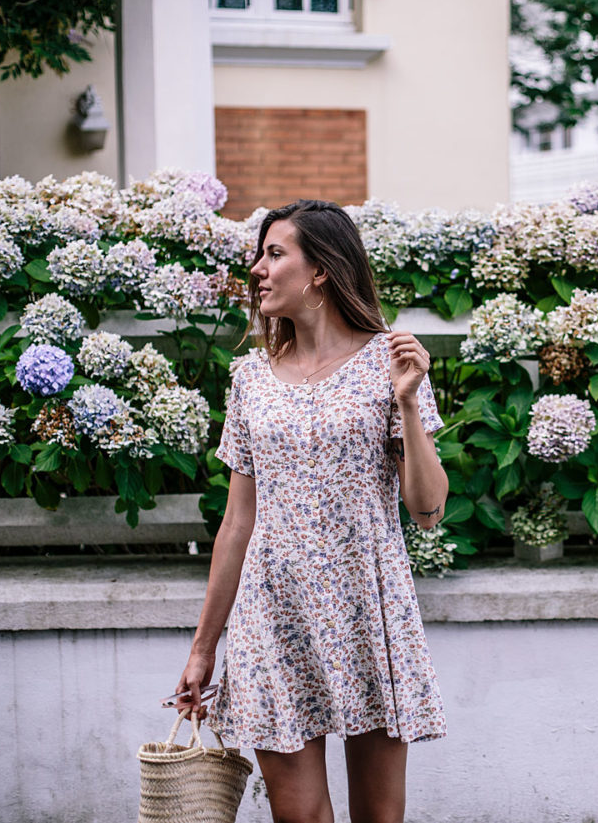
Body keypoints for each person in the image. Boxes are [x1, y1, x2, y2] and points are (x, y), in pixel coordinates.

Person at [176, 199, 449, 823]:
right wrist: (202, 648)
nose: (257, 270)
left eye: (275, 254)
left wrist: (407, 405)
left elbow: (428, 509)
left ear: (321, 269)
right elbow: (237, 523)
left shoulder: (391, 364)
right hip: (273, 614)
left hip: (365, 605)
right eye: (259, 256)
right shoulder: (249, 380)